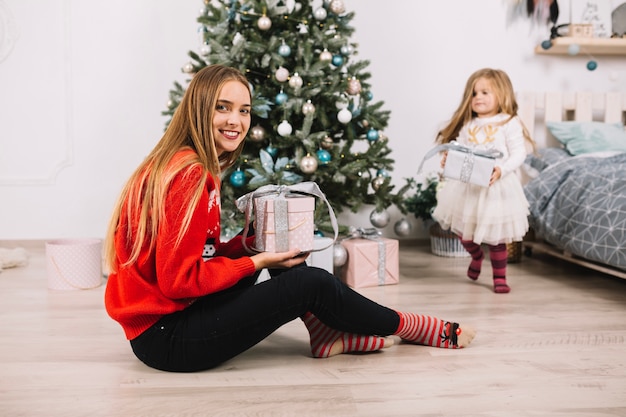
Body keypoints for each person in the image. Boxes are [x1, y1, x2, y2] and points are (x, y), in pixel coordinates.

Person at [103, 64, 476, 373]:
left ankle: (325, 335)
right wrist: (255, 261)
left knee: (278, 248)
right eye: (223, 107)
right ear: (199, 110)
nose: (236, 120)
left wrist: (251, 245)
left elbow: (197, 256)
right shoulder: (189, 176)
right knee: (309, 284)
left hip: (164, 325)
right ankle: (414, 327)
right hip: (168, 339)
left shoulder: (181, 164)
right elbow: (178, 282)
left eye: (244, 110)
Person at [432, 68, 535, 294]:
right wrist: (449, 158)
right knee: (464, 233)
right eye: (474, 93)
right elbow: (461, 149)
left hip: (497, 187)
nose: (477, 97)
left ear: (502, 94)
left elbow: (519, 153)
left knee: (497, 237)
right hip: (470, 187)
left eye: (485, 92)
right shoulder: (470, 124)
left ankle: (500, 276)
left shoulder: (509, 122)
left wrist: (501, 169)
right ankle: (476, 255)